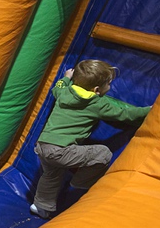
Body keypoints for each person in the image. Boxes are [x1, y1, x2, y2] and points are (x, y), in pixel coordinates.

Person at [31, 59, 152, 219]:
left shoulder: (64, 92)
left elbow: (56, 88)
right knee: (103, 153)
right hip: (61, 150)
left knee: (51, 175)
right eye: (108, 84)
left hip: (42, 146)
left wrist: (66, 78)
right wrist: (149, 110)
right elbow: (125, 115)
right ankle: (80, 182)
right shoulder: (97, 104)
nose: (109, 87)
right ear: (96, 90)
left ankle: (40, 206)